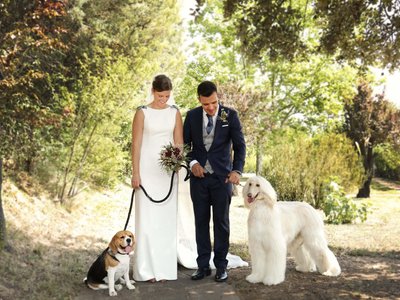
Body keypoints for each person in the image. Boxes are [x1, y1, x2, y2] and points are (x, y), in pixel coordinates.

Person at [183, 80, 246, 282]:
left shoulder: (229, 115)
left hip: (223, 180)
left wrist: (236, 170)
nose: (210, 107)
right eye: (205, 104)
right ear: (199, 101)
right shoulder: (191, 116)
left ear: (218, 97)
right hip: (199, 180)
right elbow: (185, 146)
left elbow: (240, 146)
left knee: (221, 224)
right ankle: (202, 266)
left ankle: (221, 266)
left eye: (213, 102)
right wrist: (192, 163)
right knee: (201, 223)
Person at [131, 74, 183, 282]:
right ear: (153, 91)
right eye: (161, 96)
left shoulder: (175, 112)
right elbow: (135, 145)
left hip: (167, 172)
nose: (164, 99)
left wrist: (177, 163)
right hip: (146, 170)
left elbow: (178, 142)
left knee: (165, 220)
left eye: (167, 96)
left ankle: (163, 269)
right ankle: (146, 269)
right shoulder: (142, 113)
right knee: (147, 219)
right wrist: (136, 173)